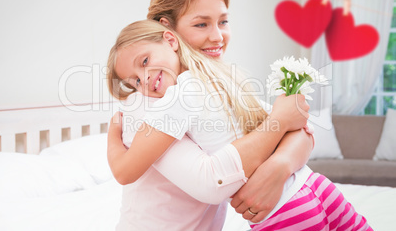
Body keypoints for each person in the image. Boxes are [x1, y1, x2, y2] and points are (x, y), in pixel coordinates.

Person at [108, 19, 372, 231]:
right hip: (314, 185)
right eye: (135, 82)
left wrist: (112, 136)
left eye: (144, 62)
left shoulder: (182, 95)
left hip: (284, 210)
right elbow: (297, 122)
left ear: (170, 40)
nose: (145, 80)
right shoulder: (214, 78)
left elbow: (124, 172)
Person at [107, 0, 313, 230]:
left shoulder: (211, 81)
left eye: (223, 22)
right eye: (201, 24)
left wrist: (280, 166)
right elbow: (212, 182)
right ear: (167, 30)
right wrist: (112, 136)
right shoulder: (151, 101)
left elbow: (301, 125)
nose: (218, 37)